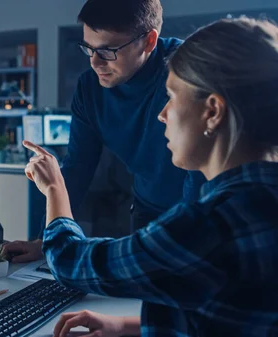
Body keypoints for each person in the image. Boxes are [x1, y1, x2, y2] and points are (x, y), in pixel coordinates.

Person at [24, 17, 278, 337]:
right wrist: (126, 326)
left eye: (172, 96)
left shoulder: (207, 227)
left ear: (212, 111)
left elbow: (70, 261)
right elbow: (219, 312)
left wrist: (53, 187)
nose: (162, 113)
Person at [3, 0, 206, 263]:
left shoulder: (188, 73)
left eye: (108, 51)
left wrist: (192, 240)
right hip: (147, 211)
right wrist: (44, 239)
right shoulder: (90, 89)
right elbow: (78, 166)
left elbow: (201, 170)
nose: (95, 63)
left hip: (199, 210)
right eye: (88, 48)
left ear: (149, 41)